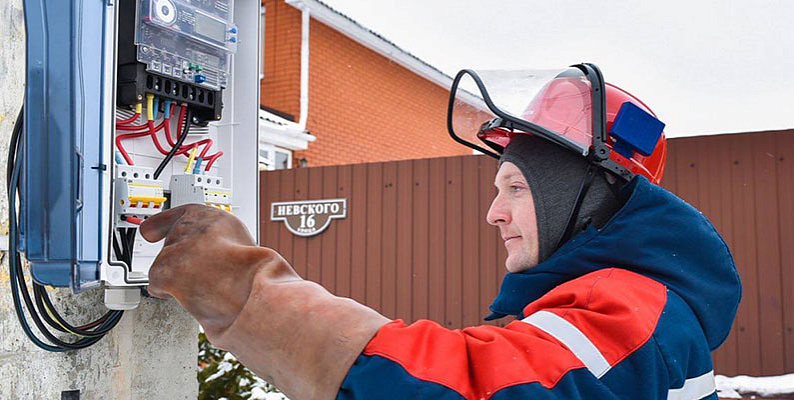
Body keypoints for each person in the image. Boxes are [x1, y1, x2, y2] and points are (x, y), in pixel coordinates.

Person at [140, 64, 741, 399]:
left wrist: (238, 287)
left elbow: (458, 387)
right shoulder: (638, 303)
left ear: (579, 202)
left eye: (517, 188)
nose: (494, 213)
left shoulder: (629, 308)